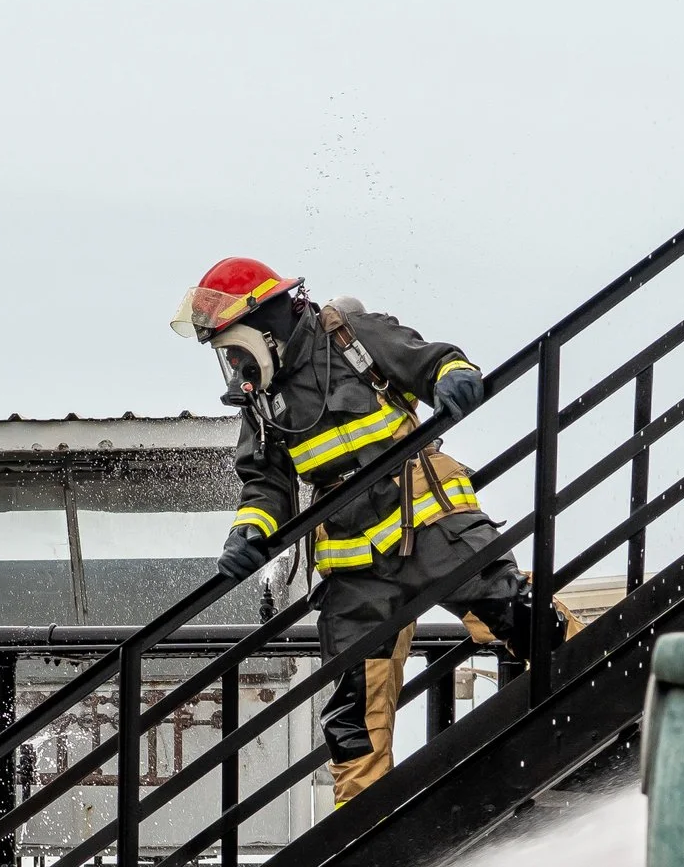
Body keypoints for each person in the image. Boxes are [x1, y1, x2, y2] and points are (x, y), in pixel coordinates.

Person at [169, 256, 538, 807]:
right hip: (354, 565)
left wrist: (453, 375)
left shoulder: (351, 337)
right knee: (352, 708)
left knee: (512, 613)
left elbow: (427, 361)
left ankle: (605, 671)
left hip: (427, 520)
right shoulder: (261, 405)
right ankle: (361, 832)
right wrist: (247, 535)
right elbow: (267, 487)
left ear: (264, 328)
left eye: (234, 346)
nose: (234, 361)